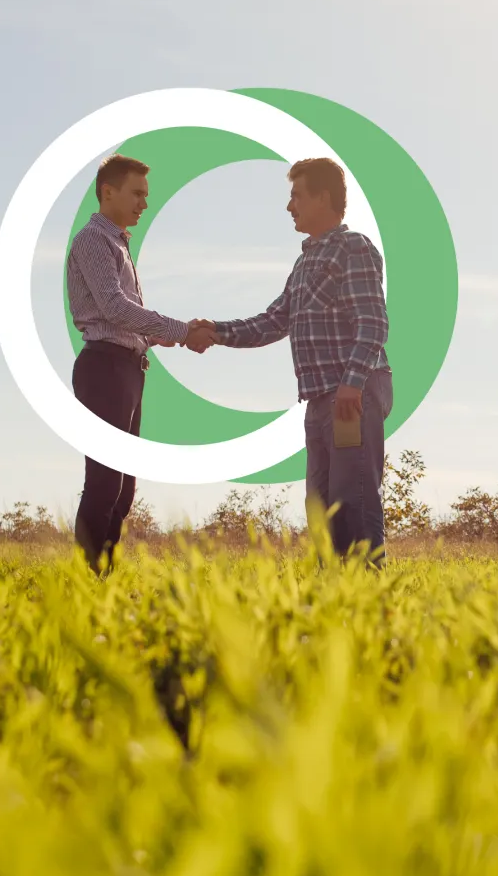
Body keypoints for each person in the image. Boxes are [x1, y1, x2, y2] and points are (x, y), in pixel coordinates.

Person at [189, 158, 393, 563]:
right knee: (321, 508)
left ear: (323, 197)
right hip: (319, 400)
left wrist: (353, 383)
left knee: (353, 501)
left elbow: (372, 321)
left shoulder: (352, 247)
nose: (290, 207)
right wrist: (214, 330)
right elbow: (272, 321)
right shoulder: (304, 264)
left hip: (351, 395)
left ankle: (370, 596)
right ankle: (332, 597)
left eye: (296, 196)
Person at [65, 153, 212, 574]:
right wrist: (182, 329)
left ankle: (103, 575)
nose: (144, 204)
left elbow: (125, 317)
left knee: (124, 487)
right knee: (105, 481)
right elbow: (113, 308)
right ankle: (87, 577)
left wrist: (159, 335)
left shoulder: (119, 244)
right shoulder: (94, 240)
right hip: (104, 369)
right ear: (108, 192)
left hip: (129, 368)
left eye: (146, 196)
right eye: (137, 194)